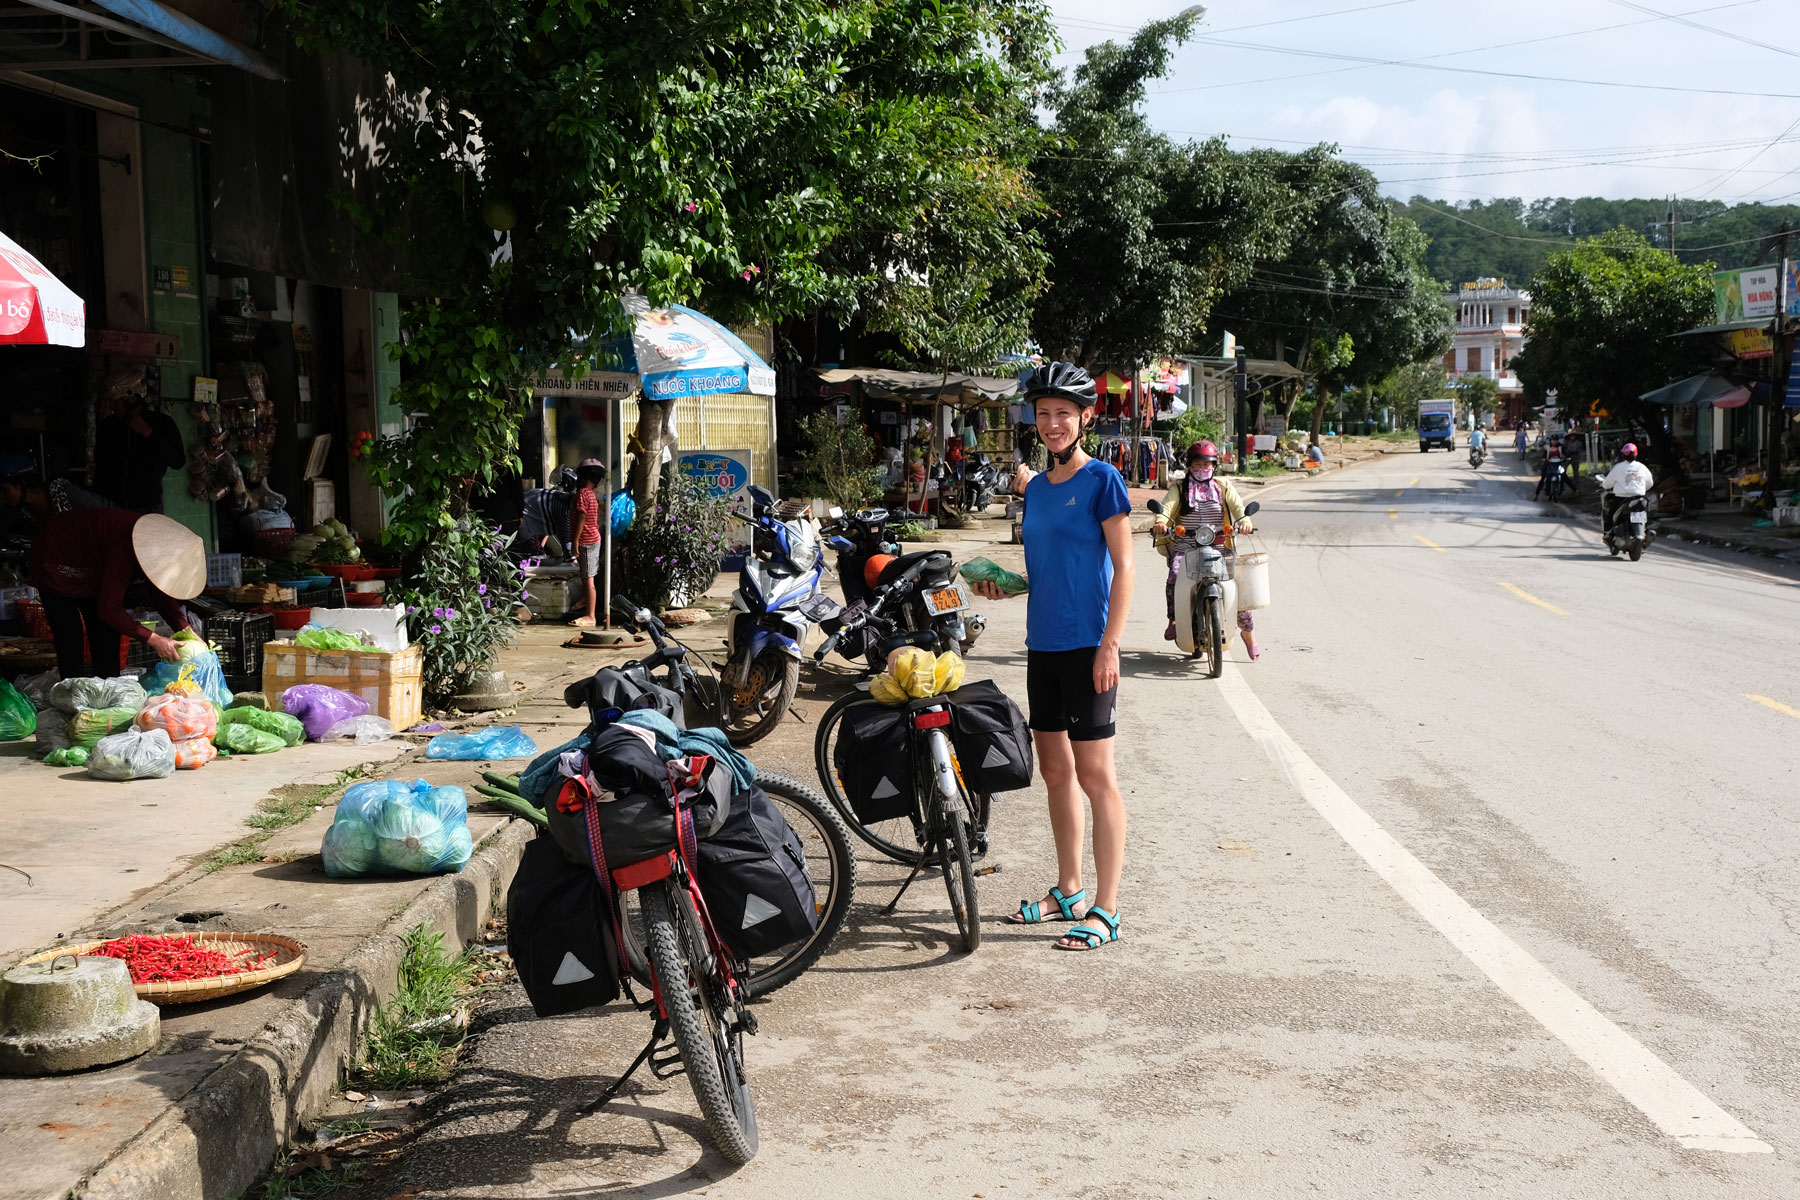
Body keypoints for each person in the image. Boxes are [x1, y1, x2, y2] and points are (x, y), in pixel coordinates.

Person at [971, 361, 1133, 952]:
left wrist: (1111, 643)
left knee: (1095, 776)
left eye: (1064, 412)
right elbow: (1046, 571)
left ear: (1085, 418)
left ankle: (1106, 907)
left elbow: (1125, 569)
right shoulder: (1035, 489)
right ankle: (1069, 889)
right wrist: (1006, 585)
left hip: (1089, 646)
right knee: (1057, 773)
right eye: (1043, 413)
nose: (1053, 423)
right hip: (1042, 646)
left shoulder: (1104, 482)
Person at [28, 509, 202, 679]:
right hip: (57, 551)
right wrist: (154, 639)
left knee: (106, 636)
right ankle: (71, 696)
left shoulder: (157, 554)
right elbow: (109, 609)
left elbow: (159, 595)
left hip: (95, 563)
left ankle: (108, 692)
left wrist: (187, 631)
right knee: (70, 634)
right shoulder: (127, 545)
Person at [1152, 440, 1260, 660]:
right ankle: (1173, 620)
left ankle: (1249, 635)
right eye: (1197, 464)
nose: (1202, 469)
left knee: (1234, 588)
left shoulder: (1223, 486)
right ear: (1189, 465)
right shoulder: (1179, 488)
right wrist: (1160, 521)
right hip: (1186, 544)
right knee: (1174, 575)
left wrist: (1244, 520)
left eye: (1207, 464)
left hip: (1219, 545)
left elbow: (1238, 506)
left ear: (1214, 466)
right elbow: (1167, 508)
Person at [93, 369, 185, 514]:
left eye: (115, 402)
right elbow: (100, 466)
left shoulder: (161, 423)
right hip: (110, 507)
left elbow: (178, 460)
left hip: (147, 508)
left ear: (131, 398)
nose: (112, 407)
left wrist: (148, 433)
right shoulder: (108, 426)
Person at [568, 459, 605, 628]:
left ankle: (591, 616)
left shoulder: (583, 494)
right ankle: (584, 601)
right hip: (593, 539)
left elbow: (581, 518)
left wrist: (575, 541)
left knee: (589, 579)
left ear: (582, 477)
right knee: (586, 576)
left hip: (587, 542)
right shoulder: (591, 495)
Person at [1599, 442, 1654, 536]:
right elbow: (1650, 483)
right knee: (1645, 513)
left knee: (1610, 514)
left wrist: (1603, 485)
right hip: (1639, 498)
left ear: (1623, 455)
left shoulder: (1618, 467)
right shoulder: (1642, 467)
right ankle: (1644, 531)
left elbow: (1607, 484)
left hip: (1621, 499)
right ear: (1636, 454)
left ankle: (1608, 534)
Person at [1533, 434, 1565, 500]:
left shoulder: (1561, 447)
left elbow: (1565, 454)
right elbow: (1543, 456)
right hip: (1548, 465)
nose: (1554, 442)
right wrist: (1544, 459)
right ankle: (1536, 495)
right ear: (1551, 441)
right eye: (1553, 440)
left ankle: (1572, 490)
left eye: (1556, 440)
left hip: (1558, 465)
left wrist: (1565, 458)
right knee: (1543, 478)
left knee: (1564, 476)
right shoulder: (1547, 447)